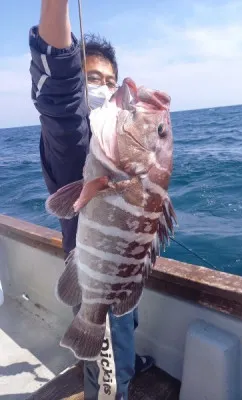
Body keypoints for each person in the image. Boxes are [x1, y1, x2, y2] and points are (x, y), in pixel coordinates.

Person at [29, 1, 154, 399]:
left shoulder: (111, 140)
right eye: (92, 77)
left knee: (124, 339)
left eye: (109, 79)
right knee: (109, 382)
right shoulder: (73, 140)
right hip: (94, 275)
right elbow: (60, 95)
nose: (103, 86)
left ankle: (126, 361)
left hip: (121, 269)